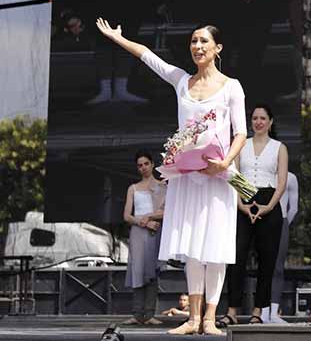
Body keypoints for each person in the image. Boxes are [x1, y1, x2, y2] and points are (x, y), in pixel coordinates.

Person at [94, 18, 247, 336]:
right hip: (187, 177)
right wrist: (117, 38)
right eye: (193, 41)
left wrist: (225, 164)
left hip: (218, 177)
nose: (197, 46)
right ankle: (191, 319)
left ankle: (209, 319)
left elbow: (240, 133)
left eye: (204, 41)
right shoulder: (181, 81)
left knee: (215, 248)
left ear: (217, 48)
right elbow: (149, 57)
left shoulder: (232, 86)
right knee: (193, 246)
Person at [219, 104, 288, 327]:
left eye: (262, 118)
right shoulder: (242, 145)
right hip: (244, 197)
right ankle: (232, 311)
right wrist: (241, 204)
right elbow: (235, 175)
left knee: (267, 261)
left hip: (269, 200)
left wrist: (268, 207)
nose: (258, 122)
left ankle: (258, 311)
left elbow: (282, 182)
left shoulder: (279, 147)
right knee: (237, 258)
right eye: (255, 118)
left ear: (270, 122)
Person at [122, 150, 166, 326]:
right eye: (140, 165)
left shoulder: (163, 186)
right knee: (137, 270)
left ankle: (149, 314)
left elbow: (167, 211)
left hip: (155, 231)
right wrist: (144, 222)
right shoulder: (133, 188)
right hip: (139, 232)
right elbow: (127, 216)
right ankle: (137, 314)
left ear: (152, 164)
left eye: (146, 164)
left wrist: (150, 218)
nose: (143, 168)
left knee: (152, 272)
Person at [262, 170, 299, 323]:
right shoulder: (262, 174)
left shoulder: (290, 177)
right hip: (262, 220)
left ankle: (274, 313)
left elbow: (294, 208)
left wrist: (283, 224)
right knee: (264, 267)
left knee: (277, 267)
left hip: (281, 220)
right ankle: (263, 311)